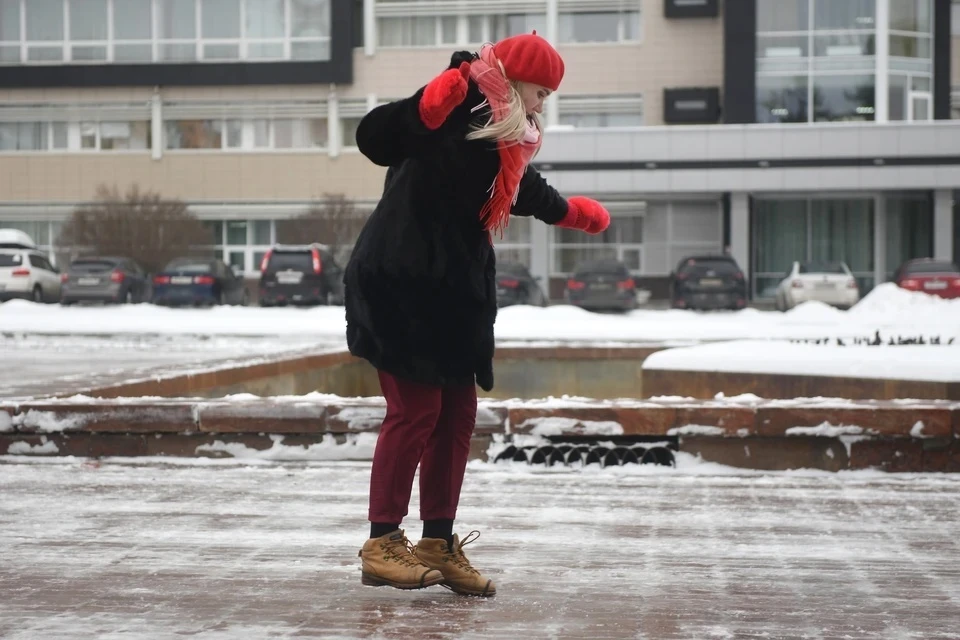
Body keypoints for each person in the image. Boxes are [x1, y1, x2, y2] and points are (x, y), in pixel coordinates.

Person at [345, 32, 611, 597]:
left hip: (453, 293)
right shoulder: (457, 100)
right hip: (401, 281)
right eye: (541, 92)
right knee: (416, 411)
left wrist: (570, 213)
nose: (543, 104)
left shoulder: (503, 135)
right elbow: (377, 137)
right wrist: (424, 106)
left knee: (455, 416)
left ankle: (437, 542)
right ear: (517, 81)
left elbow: (518, 189)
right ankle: (381, 542)